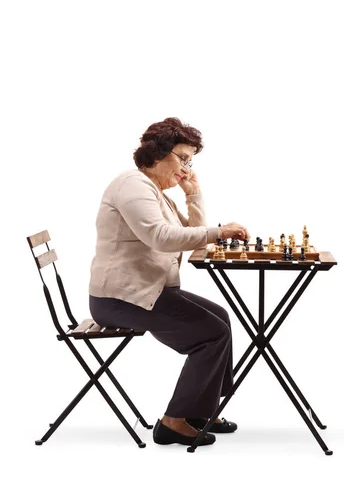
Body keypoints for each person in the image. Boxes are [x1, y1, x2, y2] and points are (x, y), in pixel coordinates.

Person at [89, 117, 250, 447]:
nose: (187, 167)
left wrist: (194, 195)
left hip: (146, 291)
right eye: (183, 157)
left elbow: (195, 240)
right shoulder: (132, 185)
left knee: (220, 316)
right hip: (120, 298)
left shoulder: (157, 193)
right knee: (212, 333)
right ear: (158, 152)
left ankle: (202, 412)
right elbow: (161, 237)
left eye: (191, 160)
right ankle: (173, 422)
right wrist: (220, 231)